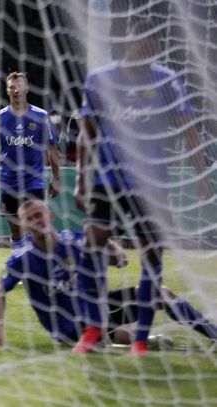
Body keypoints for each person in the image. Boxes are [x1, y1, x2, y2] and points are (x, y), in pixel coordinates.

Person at [73, 20, 210, 354]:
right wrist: (80, 180)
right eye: (142, 38)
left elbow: (187, 128)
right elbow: (87, 133)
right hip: (110, 179)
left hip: (153, 184)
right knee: (92, 246)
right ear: (129, 38)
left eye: (154, 42)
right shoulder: (100, 79)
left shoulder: (166, 80)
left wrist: (201, 176)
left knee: (152, 257)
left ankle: (140, 340)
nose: (147, 45)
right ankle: (93, 329)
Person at [0, 199, 217, 348]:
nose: (36, 221)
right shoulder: (23, 259)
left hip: (97, 306)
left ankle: (212, 333)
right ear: (25, 227)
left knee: (161, 293)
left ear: (50, 216)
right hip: (68, 325)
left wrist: (115, 253)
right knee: (109, 335)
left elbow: (113, 254)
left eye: (38, 215)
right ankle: (145, 341)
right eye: (29, 220)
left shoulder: (72, 239)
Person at [0, 72, 60, 252]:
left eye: (19, 86)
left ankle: (42, 269)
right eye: (12, 87)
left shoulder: (41, 116)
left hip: (34, 181)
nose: (16, 90)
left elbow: (52, 148)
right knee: (16, 231)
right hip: (9, 182)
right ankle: (19, 269)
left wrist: (56, 178)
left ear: (27, 89)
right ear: (7, 91)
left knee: (38, 229)